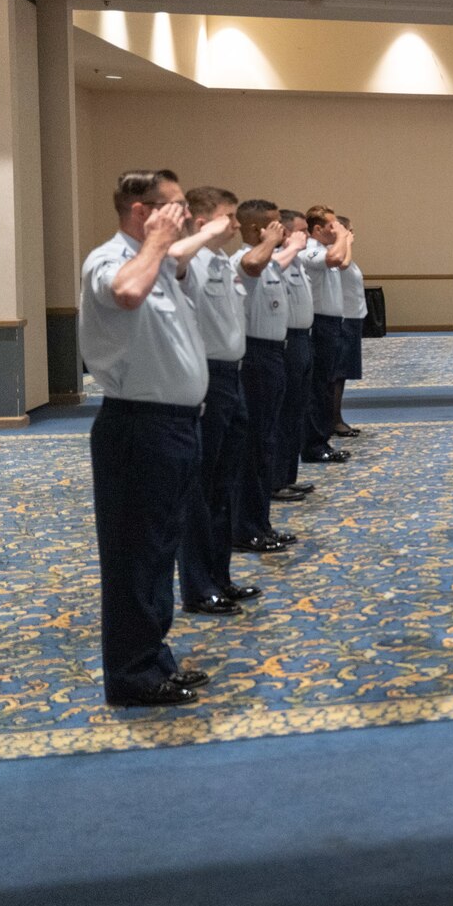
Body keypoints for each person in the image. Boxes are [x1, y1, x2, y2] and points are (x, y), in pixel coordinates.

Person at [80, 169, 229, 706]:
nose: (183, 216)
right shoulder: (111, 259)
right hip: (137, 429)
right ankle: (131, 676)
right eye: (173, 208)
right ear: (142, 213)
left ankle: (152, 658)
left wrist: (200, 234)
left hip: (173, 426)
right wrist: (160, 241)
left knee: (158, 549)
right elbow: (126, 292)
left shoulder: (158, 259)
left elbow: (176, 254)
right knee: (134, 558)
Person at [177, 186, 264, 616]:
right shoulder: (188, 262)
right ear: (201, 220)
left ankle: (219, 576)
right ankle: (198, 585)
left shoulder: (219, 263)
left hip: (234, 375)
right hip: (207, 378)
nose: (235, 226)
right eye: (228, 218)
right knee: (202, 485)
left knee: (225, 484)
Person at [235, 200, 302, 552]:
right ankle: (247, 527)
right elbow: (250, 264)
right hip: (255, 357)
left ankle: (260, 523)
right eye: (274, 225)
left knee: (266, 443)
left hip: (274, 354)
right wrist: (269, 241)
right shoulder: (247, 258)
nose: (283, 231)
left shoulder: (268, 261)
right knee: (255, 446)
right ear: (253, 229)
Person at [300, 206, 352, 465]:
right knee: (319, 386)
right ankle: (314, 444)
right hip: (319, 325)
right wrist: (343, 235)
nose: (336, 230)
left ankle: (322, 439)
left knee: (327, 383)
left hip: (331, 324)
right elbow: (334, 259)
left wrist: (342, 238)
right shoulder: (310, 251)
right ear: (317, 229)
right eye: (332, 226)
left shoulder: (326, 250)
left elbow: (342, 263)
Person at [272, 208, 317, 501]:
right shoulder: (275, 261)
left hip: (303, 339)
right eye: (302, 230)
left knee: (295, 414)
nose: (307, 236)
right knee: (283, 415)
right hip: (286, 342)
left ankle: (288, 475)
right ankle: (276, 480)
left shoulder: (297, 261)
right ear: (285, 232)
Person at [332, 214, 365, 437]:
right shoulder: (339, 256)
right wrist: (346, 241)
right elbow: (343, 265)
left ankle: (336, 418)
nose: (352, 235)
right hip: (343, 320)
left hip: (352, 319)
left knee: (342, 375)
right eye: (349, 231)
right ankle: (335, 421)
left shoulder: (343, 256)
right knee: (338, 374)